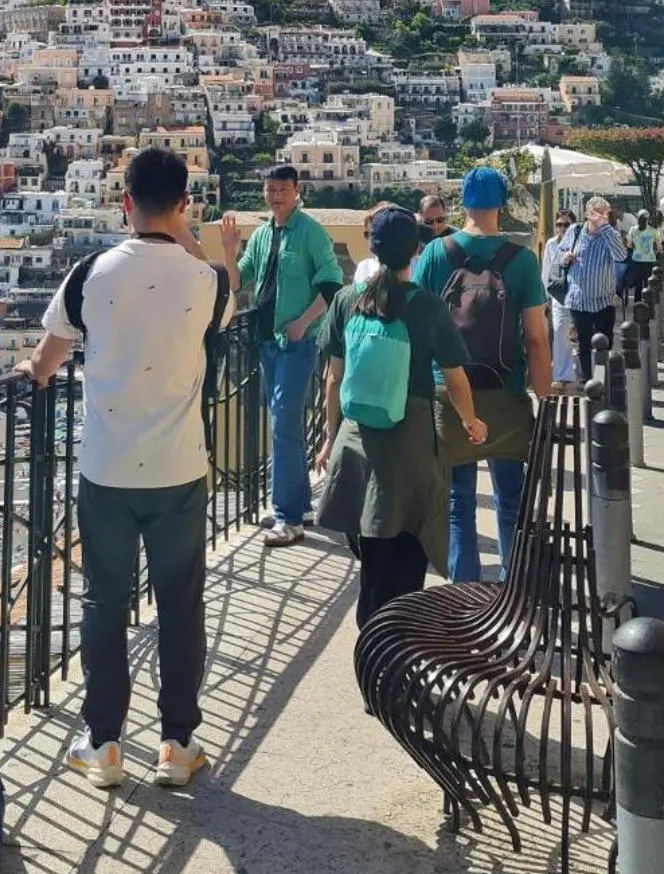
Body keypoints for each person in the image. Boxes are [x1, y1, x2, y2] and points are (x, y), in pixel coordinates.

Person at [21, 146, 232, 792]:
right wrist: (189, 234)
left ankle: (104, 742)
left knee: (105, 602)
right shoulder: (208, 281)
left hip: (107, 469)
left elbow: (45, 362)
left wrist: (32, 375)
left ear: (123, 203)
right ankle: (177, 743)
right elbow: (218, 300)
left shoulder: (91, 275)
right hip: (179, 468)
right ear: (183, 206)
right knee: (180, 605)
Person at [315, 207, 487, 626]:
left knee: (371, 554)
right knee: (409, 547)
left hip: (358, 441)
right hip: (409, 442)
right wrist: (471, 422)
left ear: (371, 246)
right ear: (415, 251)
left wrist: (329, 437)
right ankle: (394, 646)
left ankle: (370, 636)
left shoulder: (346, 300)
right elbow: (456, 380)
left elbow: (333, 381)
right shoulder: (427, 306)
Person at [414, 165, 552, 582]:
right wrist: (543, 396)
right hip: (505, 390)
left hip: (448, 393)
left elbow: (418, 329)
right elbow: (536, 338)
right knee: (511, 498)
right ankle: (514, 588)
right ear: (501, 203)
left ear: (463, 204)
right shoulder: (523, 261)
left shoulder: (437, 254)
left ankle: (464, 592)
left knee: (458, 500)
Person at [221, 164, 342, 547]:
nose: (275, 196)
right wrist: (228, 250)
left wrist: (303, 322)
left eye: (282, 189)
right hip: (266, 341)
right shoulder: (260, 235)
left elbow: (331, 283)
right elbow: (239, 281)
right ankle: (301, 506)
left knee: (283, 425)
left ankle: (288, 518)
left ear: (296, 190)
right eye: (270, 189)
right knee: (283, 423)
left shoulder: (310, 232)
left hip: (297, 343)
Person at [560, 195, 626, 382]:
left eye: (603, 213)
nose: (599, 217)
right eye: (595, 213)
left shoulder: (610, 234)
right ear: (587, 213)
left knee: (605, 341)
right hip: (578, 299)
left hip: (603, 300)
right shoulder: (575, 230)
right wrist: (565, 259)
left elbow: (621, 256)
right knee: (584, 342)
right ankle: (588, 381)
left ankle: (603, 378)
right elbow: (562, 253)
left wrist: (604, 227)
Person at [541, 208, 579, 383]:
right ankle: (562, 374)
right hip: (559, 295)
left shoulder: (580, 243)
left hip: (579, 296)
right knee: (559, 332)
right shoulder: (551, 244)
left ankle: (583, 372)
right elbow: (546, 271)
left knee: (582, 336)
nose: (562, 228)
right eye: (559, 225)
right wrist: (543, 299)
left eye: (566, 224)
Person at [354, 203, 403, 287]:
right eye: (367, 234)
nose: (371, 239)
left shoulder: (415, 265)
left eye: (376, 234)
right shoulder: (363, 267)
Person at [626, 209, 659, 313]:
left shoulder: (632, 230)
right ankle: (648, 306)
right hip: (649, 261)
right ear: (648, 219)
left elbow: (629, 245)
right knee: (649, 284)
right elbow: (658, 247)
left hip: (636, 260)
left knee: (638, 285)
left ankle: (637, 306)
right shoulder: (653, 231)